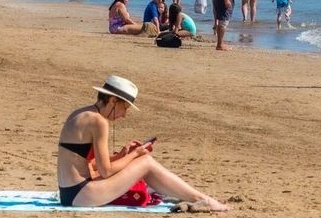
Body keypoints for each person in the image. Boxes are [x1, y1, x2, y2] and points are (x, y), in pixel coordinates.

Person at [55, 75, 229, 211]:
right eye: (125, 108)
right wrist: (134, 155)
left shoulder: (80, 113)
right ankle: (202, 200)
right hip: (82, 194)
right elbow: (105, 171)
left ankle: (188, 195)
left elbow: (88, 164)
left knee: (141, 164)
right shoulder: (99, 121)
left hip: (70, 192)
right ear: (114, 101)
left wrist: (122, 155)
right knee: (145, 163)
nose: (123, 115)